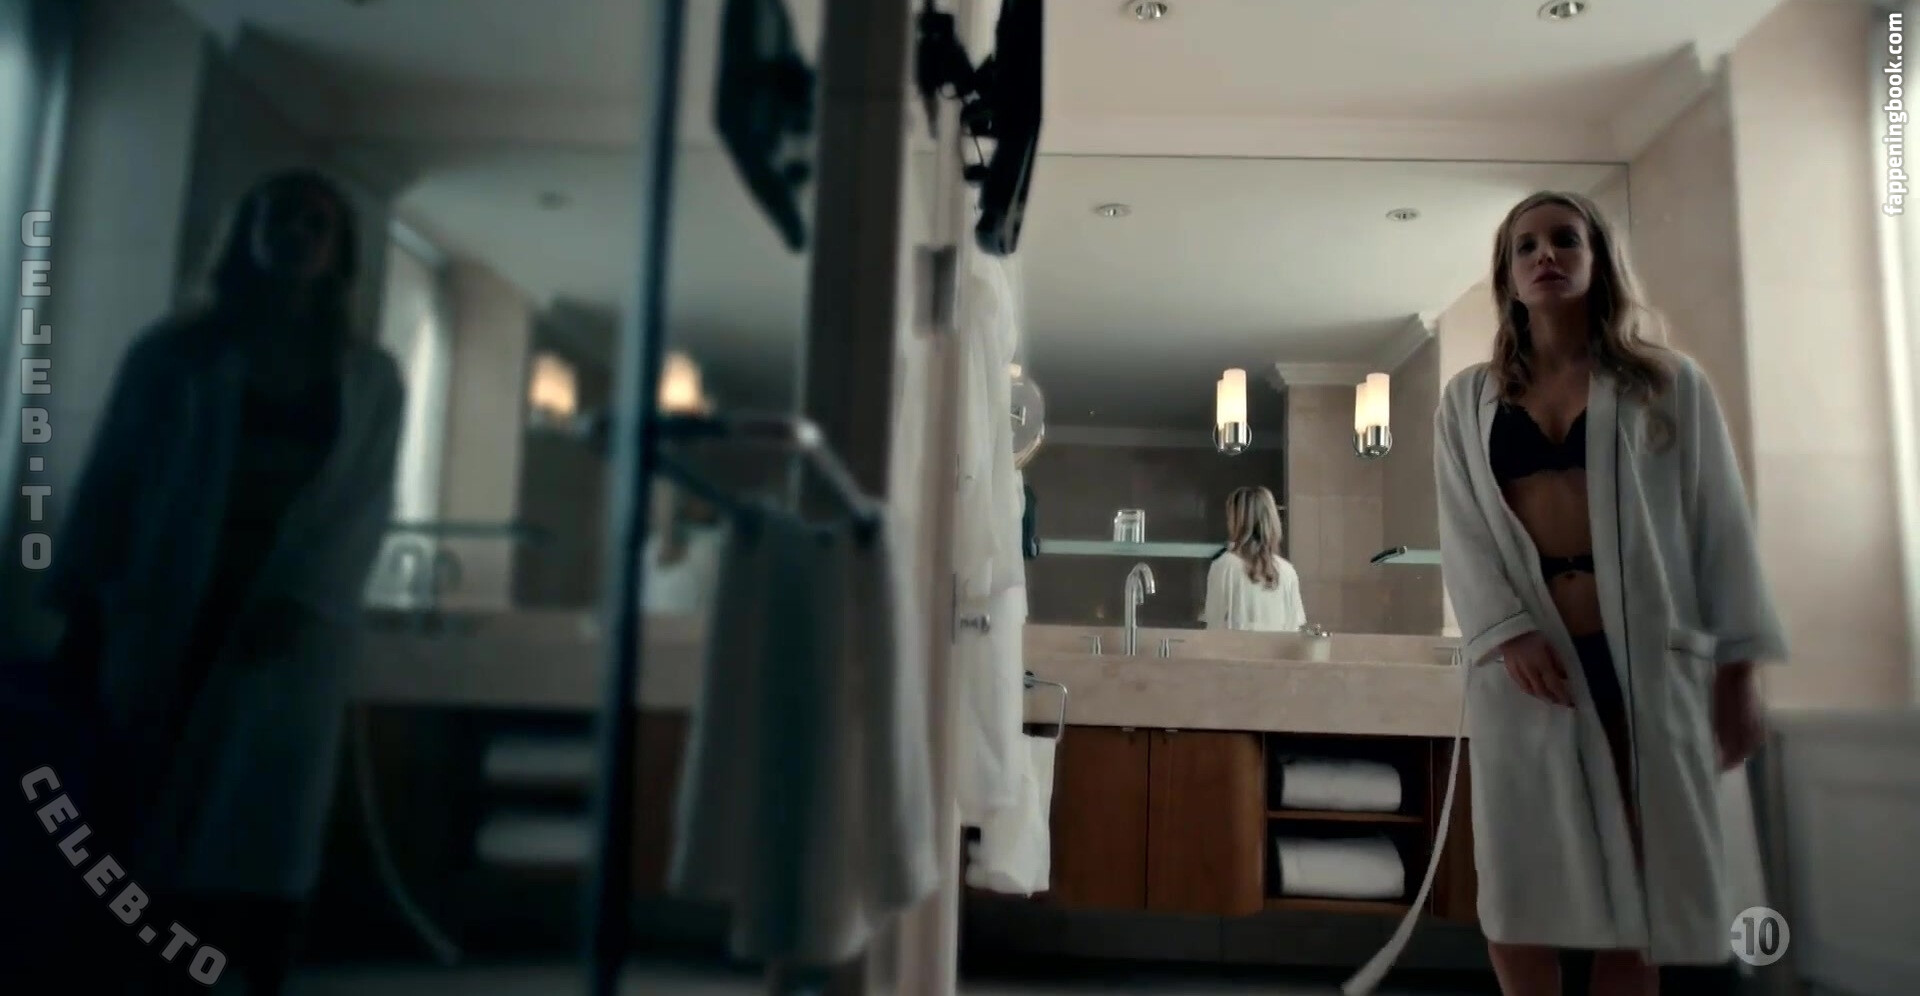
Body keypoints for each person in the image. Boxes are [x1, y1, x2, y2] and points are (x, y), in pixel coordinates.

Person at [43, 169, 405, 994]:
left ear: (339, 252)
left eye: (317, 224)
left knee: (270, 822)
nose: (297, 235)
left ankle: (258, 976)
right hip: (169, 603)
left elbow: (363, 501)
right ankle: (151, 970)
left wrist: (304, 598)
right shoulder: (173, 357)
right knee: (149, 812)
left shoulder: (369, 377)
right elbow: (112, 480)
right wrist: (83, 605)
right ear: (247, 231)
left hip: (289, 629)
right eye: (281, 217)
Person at [1434, 190, 1782, 996]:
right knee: (1517, 903)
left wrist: (1737, 678)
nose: (1546, 255)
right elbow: (1462, 528)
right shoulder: (1468, 400)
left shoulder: (1667, 386)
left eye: (1566, 239)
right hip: (1531, 673)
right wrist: (1505, 630)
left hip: (1645, 665)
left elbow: (1721, 534)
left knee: (1638, 901)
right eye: (1526, 246)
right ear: (1507, 275)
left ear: (1598, 261)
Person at [1200, 485, 1307, 631]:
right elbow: (1294, 628)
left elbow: (1214, 625)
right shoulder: (1287, 571)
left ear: (1236, 520)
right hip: (1276, 646)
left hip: (1234, 645)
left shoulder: (1225, 566)